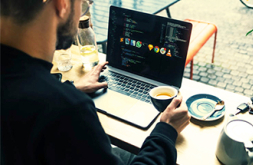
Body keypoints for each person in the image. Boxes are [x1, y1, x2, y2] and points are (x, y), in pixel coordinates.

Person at [0, 0, 191, 164]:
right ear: (62, 4)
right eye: (83, 4)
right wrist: (166, 130)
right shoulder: (66, 111)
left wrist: (73, 88)